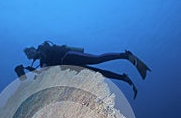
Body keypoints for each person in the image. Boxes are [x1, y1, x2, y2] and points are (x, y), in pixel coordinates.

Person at [17, 41, 151, 98]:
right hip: (72, 68)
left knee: (97, 59)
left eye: (30, 53)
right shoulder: (40, 62)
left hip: (70, 57)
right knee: (99, 74)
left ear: (33, 49)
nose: (30, 56)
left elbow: (45, 69)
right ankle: (123, 77)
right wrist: (33, 72)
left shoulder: (43, 48)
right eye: (28, 56)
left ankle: (125, 55)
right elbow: (46, 72)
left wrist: (33, 73)